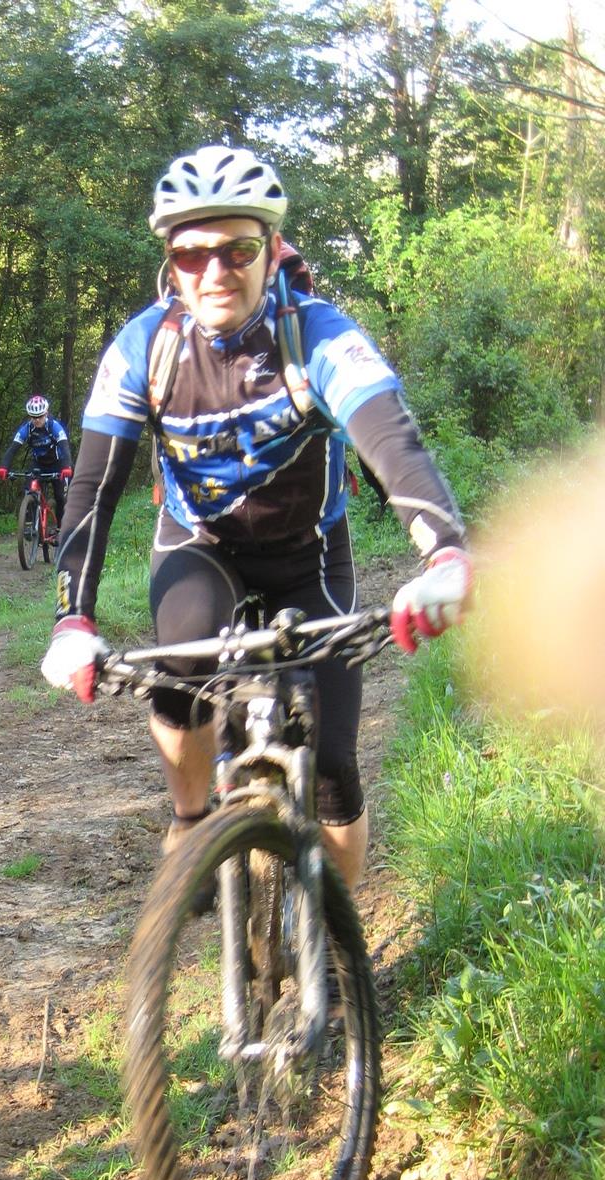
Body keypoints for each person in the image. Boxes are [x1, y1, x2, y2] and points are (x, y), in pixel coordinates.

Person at [40, 143, 473, 890]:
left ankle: (335, 937)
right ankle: (190, 819)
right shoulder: (144, 349)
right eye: (191, 254)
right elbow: (92, 491)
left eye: (237, 250)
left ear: (272, 250)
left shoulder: (319, 335)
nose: (215, 272)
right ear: (171, 264)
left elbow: (390, 440)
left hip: (309, 554)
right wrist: (71, 620)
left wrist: (446, 556)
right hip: (200, 545)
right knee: (178, 678)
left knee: (332, 769)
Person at [0, 395, 74, 520]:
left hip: (57, 464)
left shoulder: (54, 427)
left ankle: (60, 528)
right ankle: (31, 523)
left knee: (60, 497)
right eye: (33, 417)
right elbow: (12, 449)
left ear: (46, 413)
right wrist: (4, 466)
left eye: (40, 416)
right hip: (39, 464)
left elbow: (65, 447)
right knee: (29, 490)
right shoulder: (26, 429)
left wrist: (67, 466)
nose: (37, 420)